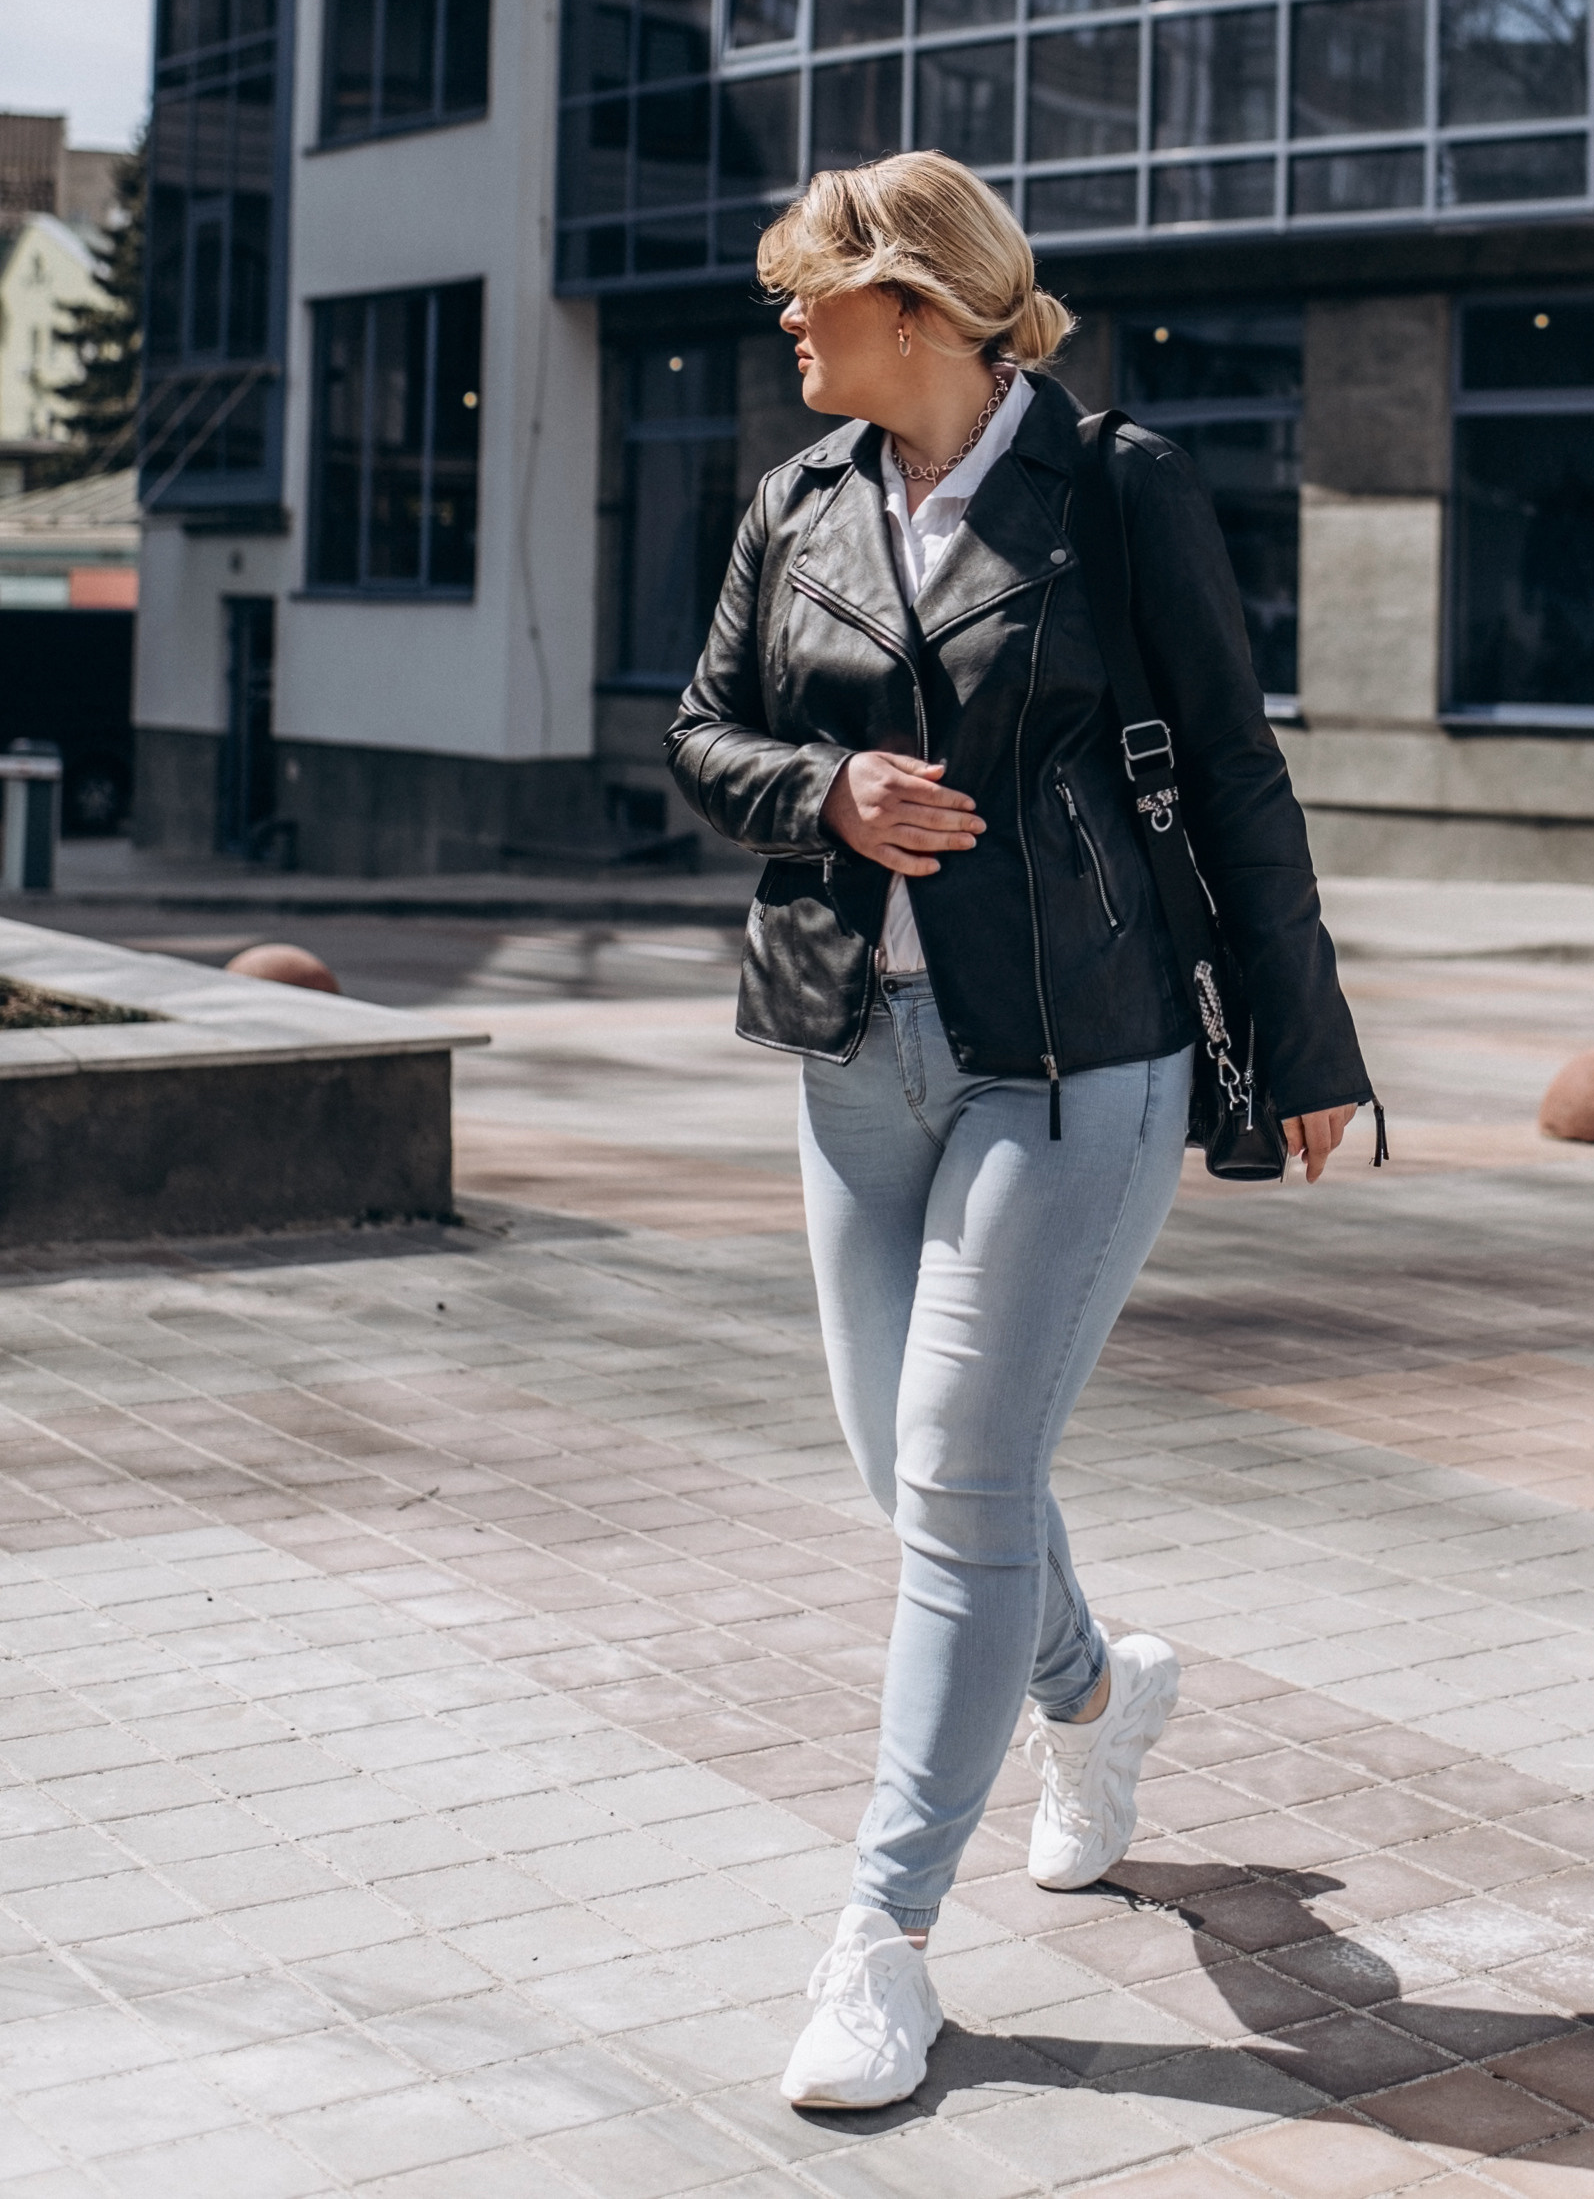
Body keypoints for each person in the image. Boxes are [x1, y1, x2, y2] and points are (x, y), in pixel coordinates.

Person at [666, 153, 1376, 2111]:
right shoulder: (795, 499)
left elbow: (1230, 766)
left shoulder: (1116, 485)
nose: (785, 319)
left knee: (962, 1484)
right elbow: (703, 733)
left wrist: (1306, 1044)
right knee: (913, 1483)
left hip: (1077, 1054)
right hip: (850, 1044)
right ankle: (1097, 1694)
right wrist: (827, 789)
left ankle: (882, 1940)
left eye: (812, 287)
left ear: (915, 304)